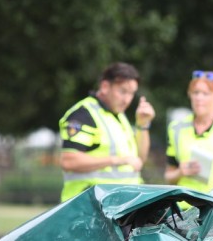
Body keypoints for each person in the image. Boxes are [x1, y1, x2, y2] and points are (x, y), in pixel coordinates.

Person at [58, 62, 155, 202]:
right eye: (123, 91)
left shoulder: (119, 116)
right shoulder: (84, 114)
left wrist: (143, 125)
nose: (127, 99)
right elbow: (69, 161)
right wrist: (118, 160)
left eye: (132, 93)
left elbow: (139, 160)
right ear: (105, 87)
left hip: (119, 207)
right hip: (88, 209)